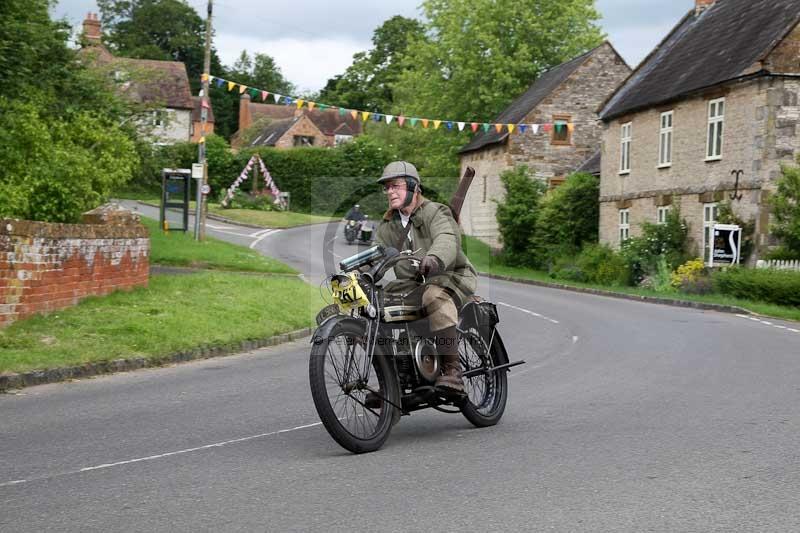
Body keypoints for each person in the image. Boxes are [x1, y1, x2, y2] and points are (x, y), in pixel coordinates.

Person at [375, 161, 478, 393]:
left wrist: (434, 258)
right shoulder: (387, 226)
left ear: (414, 186)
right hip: (411, 285)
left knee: (434, 296)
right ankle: (393, 380)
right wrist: (358, 277)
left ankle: (453, 370)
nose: (390, 191)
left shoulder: (436, 212)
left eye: (396, 186)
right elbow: (376, 256)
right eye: (387, 187)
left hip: (450, 274)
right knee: (377, 308)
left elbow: (447, 238)